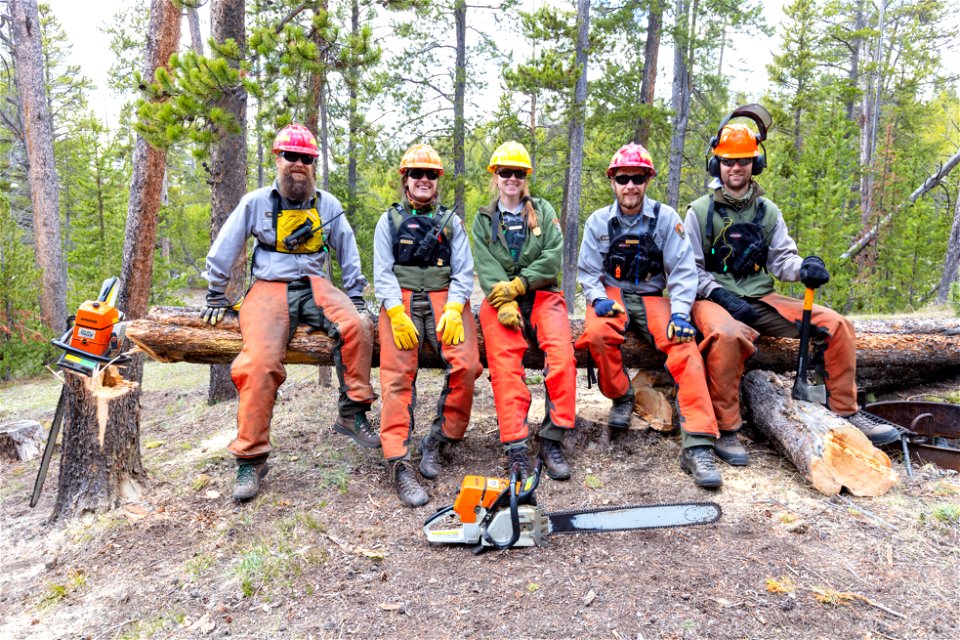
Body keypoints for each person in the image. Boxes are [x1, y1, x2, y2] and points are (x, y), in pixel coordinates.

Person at [684, 121, 900, 461]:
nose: (735, 167)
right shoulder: (699, 212)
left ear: (755, 164)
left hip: (760, 295)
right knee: (727, 336)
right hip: (712, 298)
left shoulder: (768, 212)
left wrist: (804, 267)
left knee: (836, 324)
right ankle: (727, 429)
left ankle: (846, 411)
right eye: (728, 161)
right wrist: (720, 295)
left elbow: (783, 259)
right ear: (717, 165)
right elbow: (689, 271)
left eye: (743, 160)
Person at [201, 123, 378, 502]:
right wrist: (216, 293)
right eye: (291, 156)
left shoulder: (327, 204)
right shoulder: (255, 203)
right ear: (277, 159)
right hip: (269, 287)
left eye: (306, 159)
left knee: (357, 326)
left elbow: (347, 248)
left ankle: (352, 413)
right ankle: (251, 458)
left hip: (317, 284)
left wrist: (356, 294)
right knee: (259, 362)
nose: (298, 164)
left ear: (314, 163)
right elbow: (226, 244)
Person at [575, 143, 735, 488]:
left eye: (637, 178)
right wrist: (597, 297)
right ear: (613, 182)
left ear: (647, 180)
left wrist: (680, 314)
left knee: (685, 348)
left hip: (651, 295)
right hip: (612, 295)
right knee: (598, 335)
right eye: (623, 179)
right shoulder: (598, 222)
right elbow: (587, 270)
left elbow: (681, 271)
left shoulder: (666, 219)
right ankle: (621, 396)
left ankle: (698, 445)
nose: (630, 186)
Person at [373, 143, 482, 507]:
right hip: (401, 298)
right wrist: (394, 310)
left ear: (438, 181)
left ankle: (439, 439)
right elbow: (382, 271)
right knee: (396, 376)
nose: (423, 180)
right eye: (417, 174)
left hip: (444, 296)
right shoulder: (388, 221)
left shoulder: (452, 223)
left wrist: (454, 307)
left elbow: (464, 270)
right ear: (405, 179)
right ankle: (399, 463)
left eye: (430, 175)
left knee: (467, 365)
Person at [472, 141, 576, 480]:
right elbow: (487, 266)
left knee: (562, 356)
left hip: (543, 294)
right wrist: (504, 300)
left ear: (525, 177)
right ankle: (516, 447)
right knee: (504, 363)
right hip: (500, 300)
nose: (512, 178)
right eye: (505, 172)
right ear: (496, 177)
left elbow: (552, 258)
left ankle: (553, 437)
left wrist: (520, 285)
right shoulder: (484, 219)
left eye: (518, 173)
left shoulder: (543, 212)